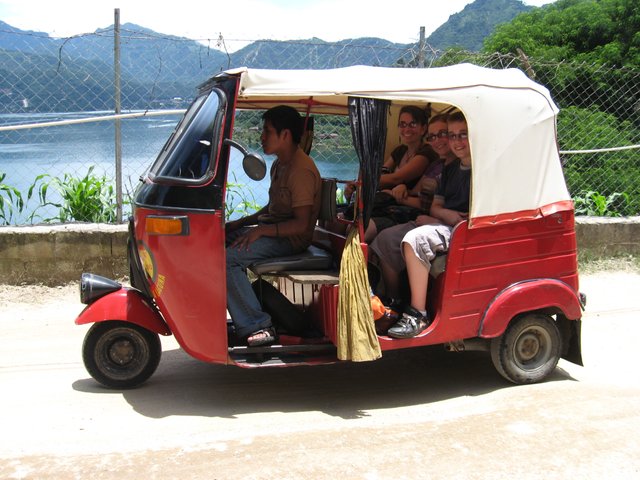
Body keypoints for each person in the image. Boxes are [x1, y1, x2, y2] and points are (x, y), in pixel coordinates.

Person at [225, 105, 321, 347]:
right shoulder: (280, 164)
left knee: (229, 259)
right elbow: (273, 208)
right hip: (275, 232)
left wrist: (261, 231)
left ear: (285, 135)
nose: (262, 137)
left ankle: (258, 325)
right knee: (216, 238)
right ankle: (239, 309)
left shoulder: (301, 170)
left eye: (267, 131)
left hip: (291, 240)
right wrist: (243, 222)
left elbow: (300, 225)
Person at [384, 111, 472, 339]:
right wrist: (449, 216)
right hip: (450, 224)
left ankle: (417, 315)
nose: (457, 142)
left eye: (463, 135)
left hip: (468, 232)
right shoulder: (450, 169)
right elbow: (435, 207)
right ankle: (393, 303)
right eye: (453, 136)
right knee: (387, 238)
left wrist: (447, 218)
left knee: (416, 239)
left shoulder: (481, 170)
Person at [369, 113, 458, 300]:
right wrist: (400, 190)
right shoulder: (438, 165)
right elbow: (417, 195)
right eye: (433, 137)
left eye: (443, 134)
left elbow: (420, 200)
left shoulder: (449, 165)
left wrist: (397, 190)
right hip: (424, 214)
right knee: (380, 236)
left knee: (384, 234)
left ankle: (404, 304)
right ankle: (393, 300)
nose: (438, 141)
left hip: (430, 219)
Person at [345, 105, 436, 242]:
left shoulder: (426, 153)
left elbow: (395, 178)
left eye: (413, 124)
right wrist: (357, 184)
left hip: (405, 210)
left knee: (361, 228)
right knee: (336, 219)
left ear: (423, 129)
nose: (406, 129)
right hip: (386, 206)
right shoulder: (400, 151)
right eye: (402, 124)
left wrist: (364, 183)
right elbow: (382, 173)